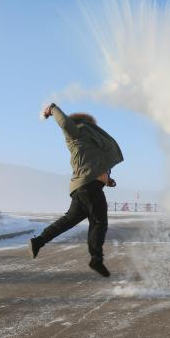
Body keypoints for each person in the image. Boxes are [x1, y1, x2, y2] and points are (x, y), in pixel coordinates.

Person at [28, 103, 123, 277]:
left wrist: (107, 180)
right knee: (99, 222)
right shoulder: (77, 132)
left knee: (69, 220)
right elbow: (64, 122)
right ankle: (96, 259)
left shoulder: (90, 141)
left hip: (83, 187)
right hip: (89, 187)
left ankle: (39, 241)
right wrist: (52, 109)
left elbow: (92, 164)